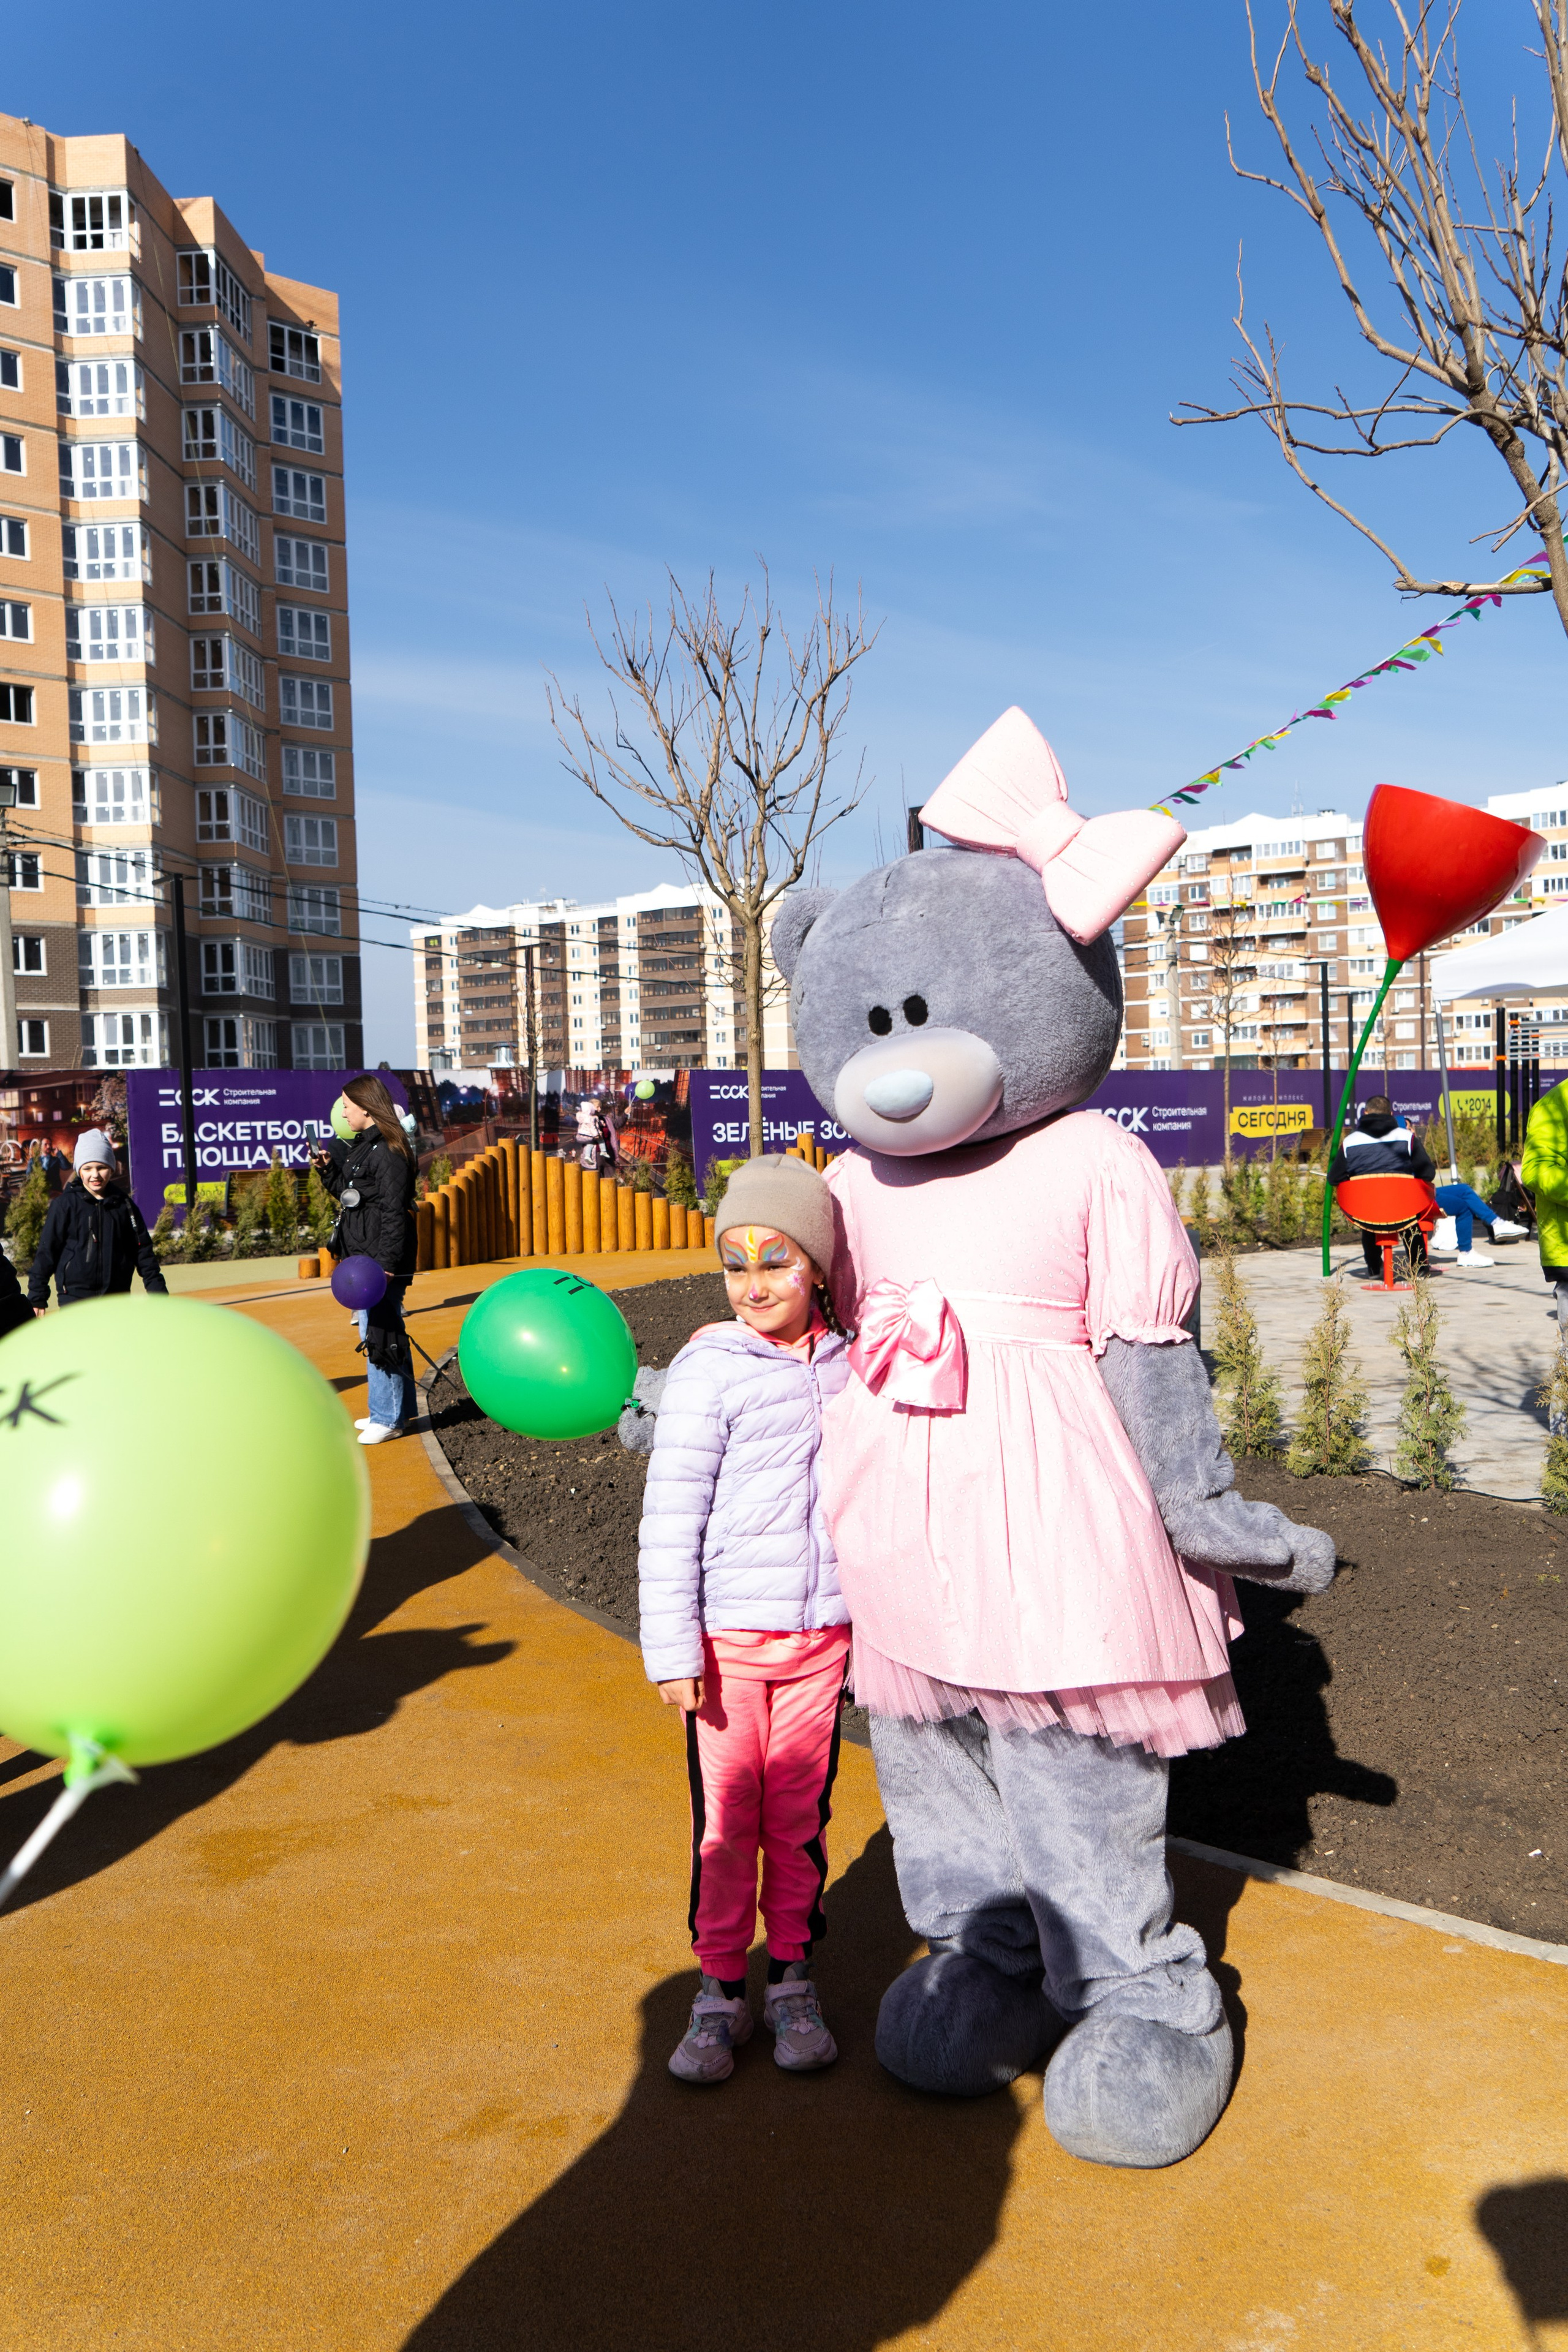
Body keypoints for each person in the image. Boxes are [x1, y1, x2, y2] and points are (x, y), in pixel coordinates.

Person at [638, 1153, 851, 2086]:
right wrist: (671, 1647)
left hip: (823, 1643)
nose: (754, 1285)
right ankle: (721, 1990)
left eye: (776, 1262)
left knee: (797, 1823)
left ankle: (794, 1979)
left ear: (818, 1268)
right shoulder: (707, 1370)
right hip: (727, 1650)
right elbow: (670, 1519)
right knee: (727, 1825)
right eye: (735, 1266)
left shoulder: (852, 1368)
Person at [310, 1075, 418, 1444]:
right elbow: (350, 1194)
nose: (342, 1111)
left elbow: (393, 1211)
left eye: (347, 1105)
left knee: (377, 1331)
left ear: (366, 1108)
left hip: (380, 1260)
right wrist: (327, 1170)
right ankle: (395, 1411)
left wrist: (386, 1265)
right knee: (384, 1328)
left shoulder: (389, 1150)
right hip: (366, 1253)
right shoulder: (366, 1147)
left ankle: (387, 1417)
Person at [1329, 1093, 1524, 1272]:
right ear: (1391, 1114)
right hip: (1404, 1210)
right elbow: (1428, 1173)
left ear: (1365, 1113)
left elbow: (1334, 1178)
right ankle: (1420, 1267)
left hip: (1366, 1212)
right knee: (1409, 1211)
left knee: (1373, 1217)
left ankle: (1374, 1267)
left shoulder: (1350, 1142)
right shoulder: (1406, 1138)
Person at [27, 1129, 167, 1311]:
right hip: (74, 1298)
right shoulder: (64, 1205)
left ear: (111, 1168)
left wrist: (159, 1295)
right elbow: (47, 1252)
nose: (95, 1175)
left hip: (117, 1299)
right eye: (87, 1168)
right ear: (79, 1171)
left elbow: (143, 1253)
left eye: (101, 1167)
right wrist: (37, 1297)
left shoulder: (125, 1206)